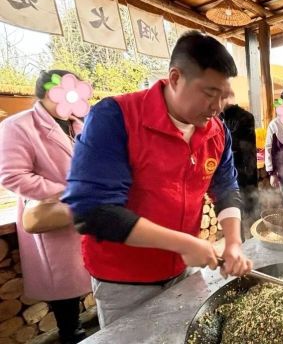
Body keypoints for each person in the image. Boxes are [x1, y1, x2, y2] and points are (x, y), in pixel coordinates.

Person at [62, 31, 253, 328]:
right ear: (175, 78)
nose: (217, 107)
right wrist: (183, 243)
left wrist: (233, 241)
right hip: (124, 281)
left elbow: (226, 186)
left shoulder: (216, 131)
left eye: (223, 96)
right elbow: (93, 212)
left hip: (182, 272)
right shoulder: (116, 117)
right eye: (209, 93)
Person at [0, 70, 91, 343]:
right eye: (65, 92)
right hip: (52, 216)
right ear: (47, 93)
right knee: (64, 289)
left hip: (83, 214)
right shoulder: (19, 125)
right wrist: (65, 190)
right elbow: (12, 176)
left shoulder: (79, 123)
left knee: (87, 276)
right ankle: (70, 334)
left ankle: (85, 333)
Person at [221, 96, 258, 240]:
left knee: (247, 213)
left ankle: (250, 245)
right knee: (236, 214)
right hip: (230, 175)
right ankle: (242, 245)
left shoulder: (244, 118)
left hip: (243, 174)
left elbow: (244, 149)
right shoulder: (218, 118)